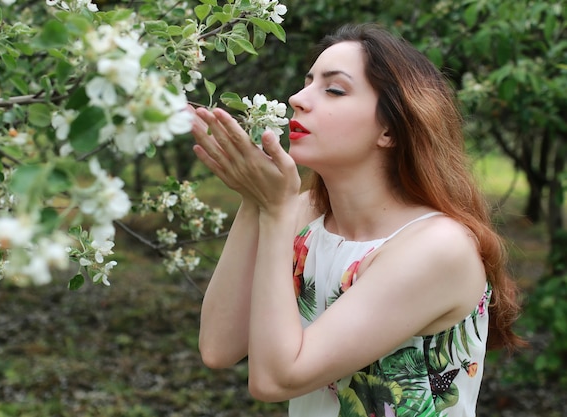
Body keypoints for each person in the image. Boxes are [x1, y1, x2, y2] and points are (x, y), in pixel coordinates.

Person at [190, 23, 524, 417]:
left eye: (333, 89)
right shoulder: (301, 214)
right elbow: (218, 347)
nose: (298, 98)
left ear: (389, 128)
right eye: (306, 83)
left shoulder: (438, 247)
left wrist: (275, 210)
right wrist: (255, 199)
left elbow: (274, 380)